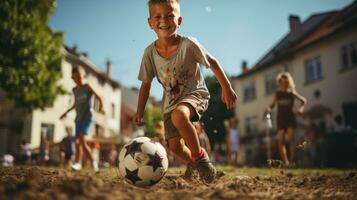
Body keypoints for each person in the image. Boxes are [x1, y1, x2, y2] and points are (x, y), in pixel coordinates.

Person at [134, 0, 237, 183]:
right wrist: (139, 110)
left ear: (179, 20)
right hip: (171, 102)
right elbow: (146, 85)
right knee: (174, 147)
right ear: (150, 23)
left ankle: (201, 158)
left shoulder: (188, 44)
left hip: (195, 93)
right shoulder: (149, 53)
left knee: (179, 116)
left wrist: (226, 87)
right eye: (157, 16)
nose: (163, 20)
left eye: (169, 15)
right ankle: (196, 165)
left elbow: (212, 62)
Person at [60, 66, 104, 172]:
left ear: (83, 76)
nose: (78, 80)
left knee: (81, 140)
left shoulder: (87, 86)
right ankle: (85, 162)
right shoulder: (74, 90)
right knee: (78, 143)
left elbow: (99, 97)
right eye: (75, 78)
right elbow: (75, 104)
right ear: (72, 78)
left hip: (87, 117)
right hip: (78, 118)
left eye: (79, 77)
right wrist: (65, 113)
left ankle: (85, 163)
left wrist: (101, 106)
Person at [266, 72, 307, 167]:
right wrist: (269, 108)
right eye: (282, 83)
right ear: (279, 83)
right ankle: (286, 161)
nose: (284, 85)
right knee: (281, 141)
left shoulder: (291, 93)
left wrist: (300, 109)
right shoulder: (277, 94)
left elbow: (304, 101)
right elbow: (272, 105)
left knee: (291, 140)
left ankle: (292, 162)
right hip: (280, 119)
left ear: (289, 83)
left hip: (290, 119)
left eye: (286, 83)